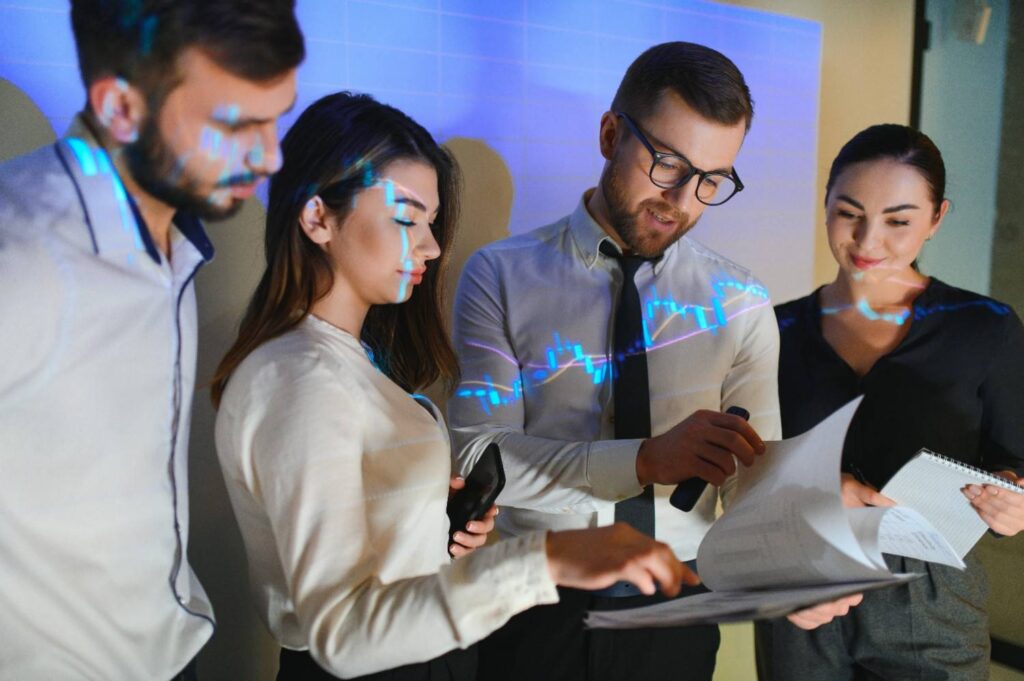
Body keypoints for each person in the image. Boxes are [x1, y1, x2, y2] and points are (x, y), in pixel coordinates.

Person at [211, 92, 696, 681]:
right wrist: (546, 559)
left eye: (432, 223)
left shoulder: (352, 362)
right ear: (317, 218)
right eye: (406, 218)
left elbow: (368, 561)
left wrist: (423, 528)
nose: (433, 247)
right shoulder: (299, 377)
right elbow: (338, 630)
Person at [446, 41, 856, 681]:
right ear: (611, 134)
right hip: (529, 601)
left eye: (712, 181)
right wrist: (639, 460)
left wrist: (794, 567)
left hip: (680, 607)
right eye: (667, 164)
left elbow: (755, 481)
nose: (683, 200)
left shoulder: (740, 303)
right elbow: (477, 456)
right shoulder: (499, 275)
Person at [0, 2, 303, 679]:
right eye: (237, 124)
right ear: (119, 108)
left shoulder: (174, 238)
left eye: (276, 116)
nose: (272, 155)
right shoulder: (19, 256)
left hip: (170, 647)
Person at [756, 124, 1024, 680]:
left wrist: (1014, 503)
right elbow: (742, 468)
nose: (868, 240)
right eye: (848, 213)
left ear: (937, 218)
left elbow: (1017, 467)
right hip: (805, 586)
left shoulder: (985, 329)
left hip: (932, 598)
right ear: (825, 204)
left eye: (898, 220)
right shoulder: (770, 332)